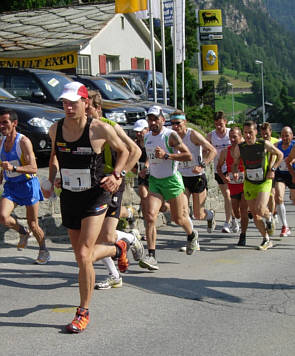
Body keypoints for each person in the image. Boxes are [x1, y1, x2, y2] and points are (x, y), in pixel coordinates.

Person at [44, 82, 129, 333]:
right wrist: (52, 179)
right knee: (81, 258)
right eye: (64, 103)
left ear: (85, 103)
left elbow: (124, 151)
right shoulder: (55, 129)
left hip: (96, 195)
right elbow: (54, 158)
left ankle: (83, 311)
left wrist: (117, 174)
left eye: (73, 102)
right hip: (70, 195)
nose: (68, 107)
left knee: (83, 254)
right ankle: (117, 248)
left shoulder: (98, 129)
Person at [86, 90, 144, 289]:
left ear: (98, 108)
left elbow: (135, 151)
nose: (84, 114)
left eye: (88, 109)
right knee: (97, 237)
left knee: (107, 236)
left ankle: (130, 238)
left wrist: (119, 175)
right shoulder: (80, 129)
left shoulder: (110, 127)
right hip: (91, 186)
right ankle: (114, 275)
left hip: (111, 184)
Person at [138, 105, 197, 271]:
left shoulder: (170, 136)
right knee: (150, 216)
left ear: (163, 120)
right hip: (155, 181)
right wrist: (147, 167)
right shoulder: (147, 136)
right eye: (150, 119)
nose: (153, 122)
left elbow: (188, 155)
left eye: (156, 118)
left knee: (178, 219)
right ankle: (152, 256)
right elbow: (151, 155)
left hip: (172, 180)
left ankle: (192, 235)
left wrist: (167, 155)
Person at [0, 109, 50, 264]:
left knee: (33, 223)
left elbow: (34, 168)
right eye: (0, 123)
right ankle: (23, 232)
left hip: (28, 185)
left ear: (14, 123)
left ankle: (43, 250)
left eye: (5, 122)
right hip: (11, 186)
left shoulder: (23, 141)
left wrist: (14, 169)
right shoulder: (0, 141)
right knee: (2, 216)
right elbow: (3, 165)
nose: (1, 126)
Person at [232, 121, 283, 251]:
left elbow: (280, 155)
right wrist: (235, 171)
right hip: (249, 182)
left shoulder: (263, 144)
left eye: (250, 132)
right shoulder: (240, 147)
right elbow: (235, 162)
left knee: (260, 209)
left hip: (264, 181)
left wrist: (273, 169)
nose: (248, 135)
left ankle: (269, 217)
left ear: (255, 132)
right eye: (245, 133)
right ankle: (266, 239)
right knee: (255, 215)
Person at [170, 110, 217, 233]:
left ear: (184, 122)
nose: (175, 126)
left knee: (198, 214)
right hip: (180, 178)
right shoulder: (171, 136)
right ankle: (192, 238)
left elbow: (212, 150)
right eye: (173, 123)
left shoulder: (192, 135)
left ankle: (210, 215)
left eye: (178, 123)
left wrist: (202, 165)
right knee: (183, 211)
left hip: (197, 177)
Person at [217, 127, 249, 246]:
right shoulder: (225, 151)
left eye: (235, 136)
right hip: (233, 185)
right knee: (236, 212)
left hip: (246, 184)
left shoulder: (246, 150)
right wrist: (223, 177)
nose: (232, 139)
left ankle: (243, 235)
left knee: (243, 209)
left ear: (240, 137)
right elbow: (218, 167)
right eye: (230, 137)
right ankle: (240, 220)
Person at [206, 111, 236, 233]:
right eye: (216, 124)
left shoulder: (231, 133)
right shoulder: (211, 135)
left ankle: (233, 219)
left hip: (233, 169)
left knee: (234, 197)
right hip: (219, 169)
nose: (219, 127)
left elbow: (242, 145)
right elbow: (203, 148)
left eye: (221, 124)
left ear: (225, 122)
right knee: (227, 196)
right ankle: (228, 222)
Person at [274, 126, 295, 236]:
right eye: (282, 135)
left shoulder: (294, 146)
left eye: (287, 135)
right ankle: (285, 226)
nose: (285, 138)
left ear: (291, 135)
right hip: (280, 174)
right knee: (278, 197)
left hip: (292, 174)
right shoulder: (277, 146)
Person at [260, 122, 279, 222]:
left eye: (266, 133)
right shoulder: (259, 143)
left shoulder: (276, 141)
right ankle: (271, 214)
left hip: (274, 170)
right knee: (267, 195)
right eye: (263, 134)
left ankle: (271, 214)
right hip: (263, 172)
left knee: (272, 194)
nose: (265, 136)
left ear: (271, 131)